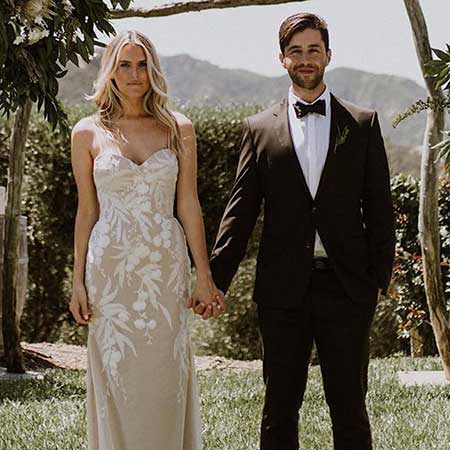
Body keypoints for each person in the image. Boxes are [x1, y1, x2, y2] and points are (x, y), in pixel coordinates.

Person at [196, 12, 395, 450]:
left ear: (328, 55)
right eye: (296, 51)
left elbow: (380, 207)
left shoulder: (362, 123)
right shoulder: (258, 129)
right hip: (282, 290)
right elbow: (240, 212)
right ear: (282, 58)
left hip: (348, 288)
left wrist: (379, 278)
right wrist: (214, 280)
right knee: (279, 407)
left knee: (349, 407)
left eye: (313, 50)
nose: (306, 59)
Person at [69, 30, 224, 450]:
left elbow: (188, 204)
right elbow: (87, 211)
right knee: (115, 374)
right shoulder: (87, 132)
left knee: (164, 375)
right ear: (110, 71)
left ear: (153, 70)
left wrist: (203, 275)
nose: (135, 74)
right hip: (109, 273)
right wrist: (77, 280)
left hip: (164, 270)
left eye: (142, 65)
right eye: (125, 65)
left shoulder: (178, 128)